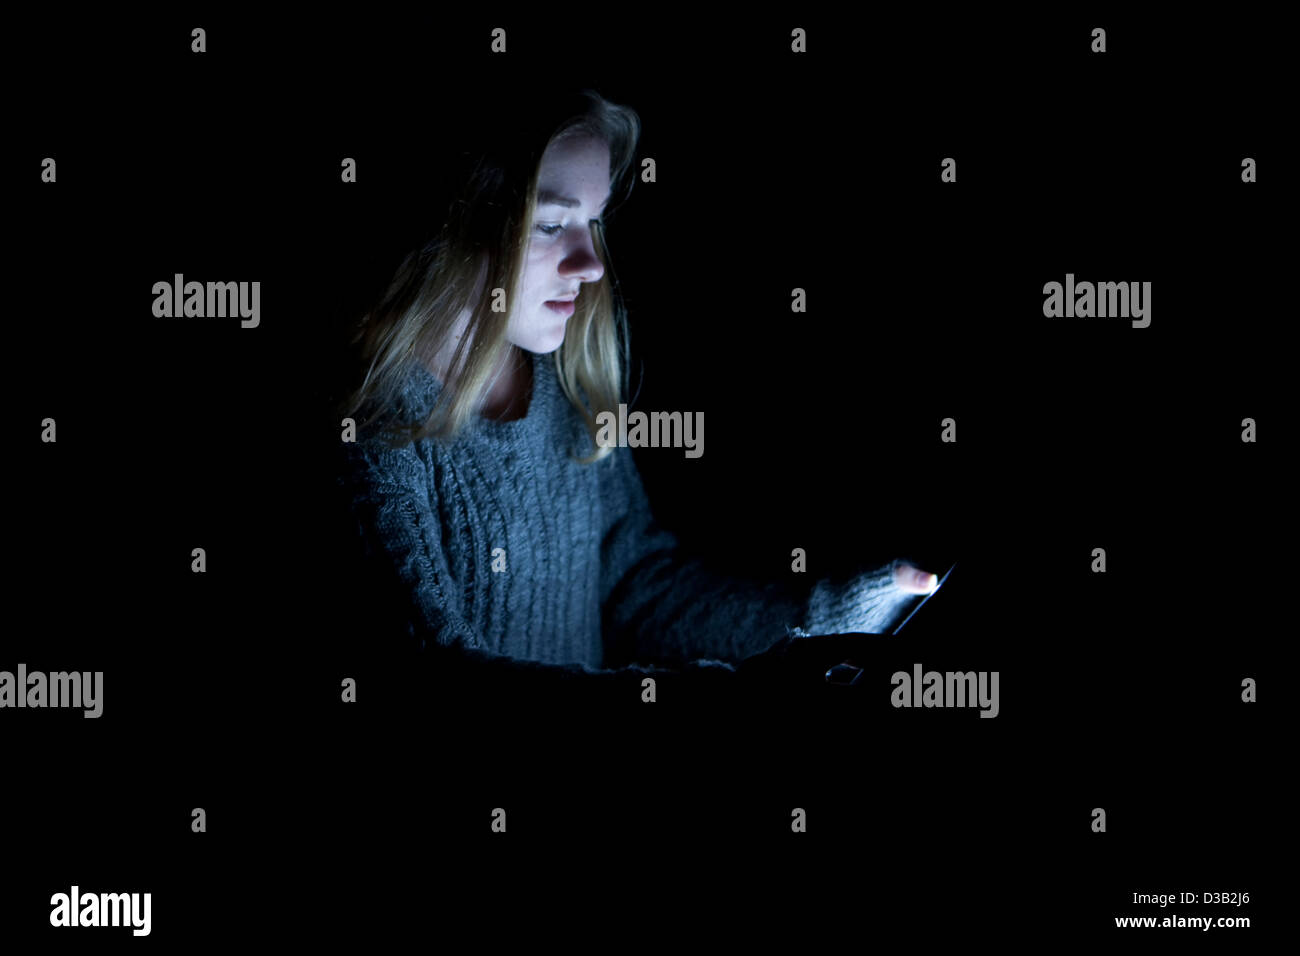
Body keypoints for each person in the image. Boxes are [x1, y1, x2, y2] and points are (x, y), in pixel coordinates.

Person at [334, 88, 939, 693]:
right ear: (457, 219)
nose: (592, 263)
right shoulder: (374, 425)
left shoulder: (565, 385)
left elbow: (634, 586)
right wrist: (740, 692)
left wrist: (825, 623)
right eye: (550, 223)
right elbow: (443, 675)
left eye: (592, 222)